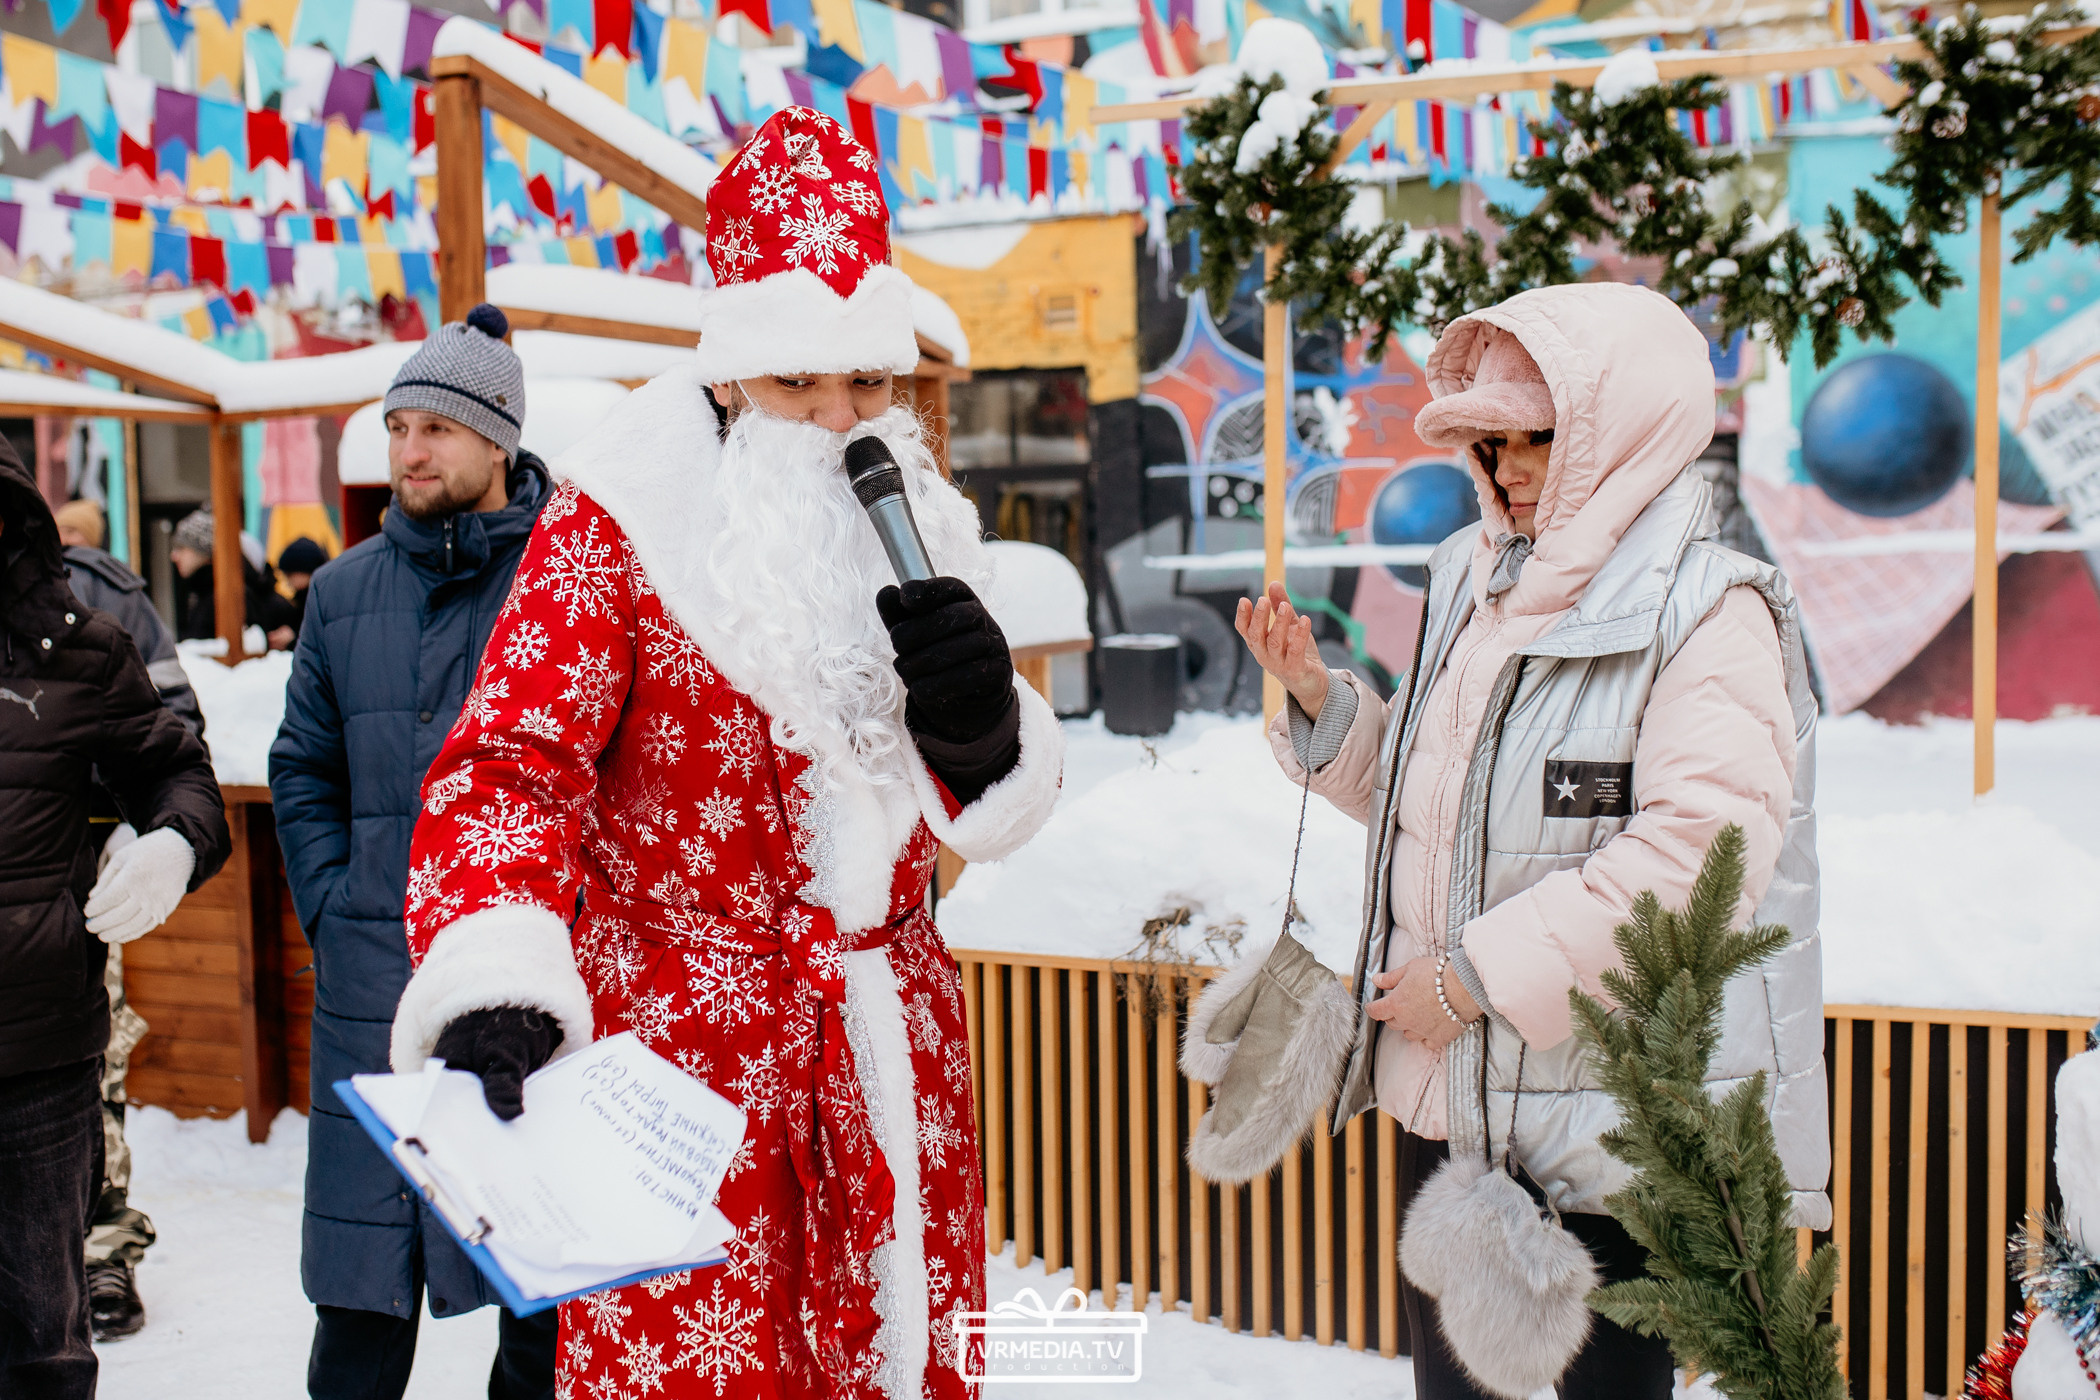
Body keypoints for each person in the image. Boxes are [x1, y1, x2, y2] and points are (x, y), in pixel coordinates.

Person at [385, 107, 1064, 1400]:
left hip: (891, 1051)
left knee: (901, 1358)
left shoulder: (923, 511)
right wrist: (497, 971)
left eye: (865, 381)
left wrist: (984, 737)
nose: (835, 418)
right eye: (796, 383)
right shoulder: (617, 523)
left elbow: (990, 795)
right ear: (728, 372)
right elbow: (507, 766)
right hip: (683, 1083)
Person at [1235, 283, 1825, 1399]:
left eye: (1534, 442)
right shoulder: (1474, 579)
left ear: (1620, 433)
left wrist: (1470, 980)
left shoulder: (1707, 611)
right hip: (1452, 1109)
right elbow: (1439, 803)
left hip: (1607, 1121)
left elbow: (1703, 861)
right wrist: (1320, 702)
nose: (1502, 471)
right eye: (1488, 443)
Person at [269, 302, 561, 1400]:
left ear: (498, 440)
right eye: (399, 426)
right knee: (357, 1308)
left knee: (537, 1299)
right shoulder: (343, 594)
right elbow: (304, 765)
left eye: (436, 426)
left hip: (525, 994)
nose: (410, 450)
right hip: (370, 992)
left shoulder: (565, 588)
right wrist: (335, 905)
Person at [0, 437, 230, 1398]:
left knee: (39, 1345)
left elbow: (181, 768)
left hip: (37, 1065)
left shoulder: (78, 646)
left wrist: (173, 840)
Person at [54, 499, 207, 1341]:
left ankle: (102, 1251)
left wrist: (145, 838)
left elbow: (175, 730)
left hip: (76, 887)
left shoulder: (94, 593)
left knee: (91, 1070)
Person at [169, 508, 297, 651]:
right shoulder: (199, 592)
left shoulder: (230, 595)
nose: (174, 556)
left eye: (182, 548)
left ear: (205, 549)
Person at [277, 537, 328, 635]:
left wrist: (292, 638)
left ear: (304, 570)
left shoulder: (318, 600)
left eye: (290, 574)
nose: (288, 581)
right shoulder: (301, 599)